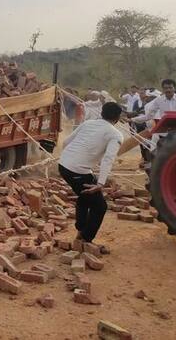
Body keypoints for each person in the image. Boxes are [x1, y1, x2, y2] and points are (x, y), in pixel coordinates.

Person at [58, 102, 124, 249]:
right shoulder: (116, 134)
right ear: (118, 118)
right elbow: (108, 159)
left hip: (63, 165)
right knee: (100, 206)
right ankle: (86, 239)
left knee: (85, 194)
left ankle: (80, 229)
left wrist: (70, 159)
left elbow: (66, 142)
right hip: (77, 170)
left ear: (101, 113)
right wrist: (100, 184)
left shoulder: (88, 123)